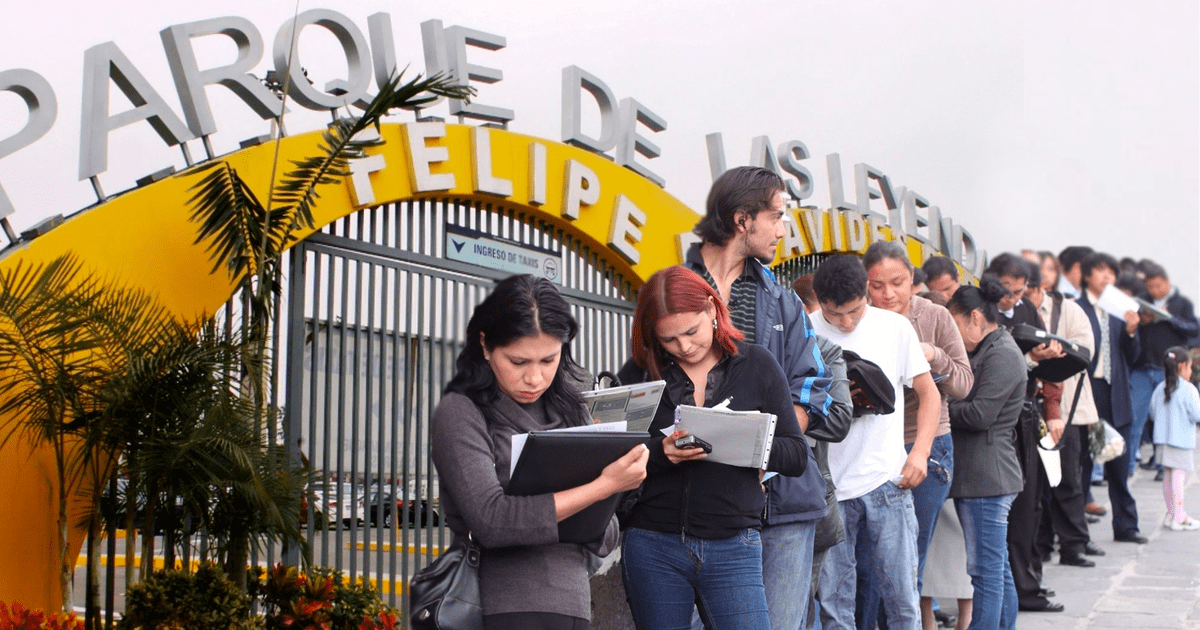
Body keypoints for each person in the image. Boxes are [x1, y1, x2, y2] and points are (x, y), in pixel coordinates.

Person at [430, 274, 649, 630]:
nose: (534, 378)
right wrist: (602, 487)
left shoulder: (572, 412)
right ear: (485, 346)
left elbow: (606, 538)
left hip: (574, 602)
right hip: (503, 606)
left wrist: (604, 485)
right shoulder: (461, 412)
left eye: (548, 360)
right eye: (518, 362)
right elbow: (493, 522)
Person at [618, 266, 812, 630]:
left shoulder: (757, 364)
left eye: (691, 332)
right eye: (669, 340)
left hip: (733, 543)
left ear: (711, 309)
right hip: (653, 542)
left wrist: (742, 441)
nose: (685, 346)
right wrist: (662, 452)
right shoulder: (642, 374)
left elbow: (795, 455)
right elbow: (616, 455)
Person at [685, 165, 835, 630]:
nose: (782, 230)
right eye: (776, 216)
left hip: (783, 502)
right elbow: (655, 382)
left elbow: (813, 388)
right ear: (742, 219)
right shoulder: (673, 289)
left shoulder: (784, 301)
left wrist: (763, 455)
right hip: (693, 502)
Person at [811, 254, 941, 630]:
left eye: (855, 310)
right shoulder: (804, 329)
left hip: (888, 479)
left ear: (866, 292)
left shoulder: (894, 327)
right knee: (835, 604)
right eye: (836, 315)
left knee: (902, 598)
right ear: (819, 300)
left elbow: (929, 394)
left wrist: (919, 453)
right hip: (829, 487)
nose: (847, 322)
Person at [859, 241, 974, 630]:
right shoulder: (857, 318)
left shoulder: (935, 316)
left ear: (913, 280)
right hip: (870, 446)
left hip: (926, 445)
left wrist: (933, 355)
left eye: (898, 282)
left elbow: (963, 384)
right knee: (867, 560)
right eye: (876, 285)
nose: (888, 294)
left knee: (908, 557)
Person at [945, 278, 1028, 630]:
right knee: (997, 570)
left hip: (987, 479)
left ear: (975, 318)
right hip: (984, 476)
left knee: (985, 574)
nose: (953, 335)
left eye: (955, 324)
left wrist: (941, 407)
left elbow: (980, 415)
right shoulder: (991, 349)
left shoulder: (1003, 354)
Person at [1030, 267, 1106, 567]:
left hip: (1068, 408)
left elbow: (1086, 352)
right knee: (1038, 483)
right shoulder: (1021, 312)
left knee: (1067, 479)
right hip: (1032, 406)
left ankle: (1074, 544)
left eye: (1028, 292)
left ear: (1040, 288)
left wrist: (1053, 354)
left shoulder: (1069, 310)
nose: (1025, 299)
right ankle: (1044, 543)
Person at [1075, 252, 1145, 544]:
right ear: (1088, 275)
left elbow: (1133, 358)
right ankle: (1076, 535)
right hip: (1087, 393)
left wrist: (1131, 333)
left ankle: (1126, 527)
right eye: (1101, 271)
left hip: (1116, 394)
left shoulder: (1121, 311)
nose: (1107, 278)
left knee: (1119, 462)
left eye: (1111, 273)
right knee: (1081, 465)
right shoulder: (1076, 309)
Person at [1130, 263, 1200, 476]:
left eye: (1158, 286)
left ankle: (1164, 466)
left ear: (1167, 283)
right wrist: (1142, 320)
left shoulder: (1182, 303)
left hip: (1167, 369)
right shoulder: (1142, 300)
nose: (1154, 291)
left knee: (1168, 418)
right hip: (1143, 367)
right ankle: (1128, 465)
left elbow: (1193, 329)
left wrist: (1170, 318)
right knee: (1135, 418)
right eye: (1150, 287)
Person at [1149, 347, 1200, 530]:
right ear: (1182, 366)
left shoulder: (1159, 388)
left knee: (1168, 477)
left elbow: (1153, 414)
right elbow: (1197, 415)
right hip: (1181, 441)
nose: (1191, 371)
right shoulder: (1189, 390)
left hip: (1162, 440)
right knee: (1179, 477)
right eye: (1189, 366)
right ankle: (1179, 516)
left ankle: (1171, 514)